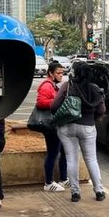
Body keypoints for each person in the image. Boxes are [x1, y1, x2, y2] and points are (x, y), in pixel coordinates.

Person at [51, 61, 106, 203]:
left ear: (74, 73)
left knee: (71, 159)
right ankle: (99, 190)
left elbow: (54, 105)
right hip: (87, 127)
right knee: (91, 159)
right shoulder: (95, 89)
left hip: (67, 127)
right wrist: (92, 117)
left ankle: (75, 193)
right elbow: (101, 110)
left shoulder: (68, 86)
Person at [36, 61, 69, 192]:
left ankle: (63, 178)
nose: (61, 75)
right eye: (58, 73)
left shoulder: (54, 85)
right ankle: (48, 182)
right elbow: (40, 102)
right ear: (50, 73)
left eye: (62, 73)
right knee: (53, 153)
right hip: (50, 125)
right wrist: (57, 101)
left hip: (55, 124)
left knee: (63, 152)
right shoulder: (47, 86)